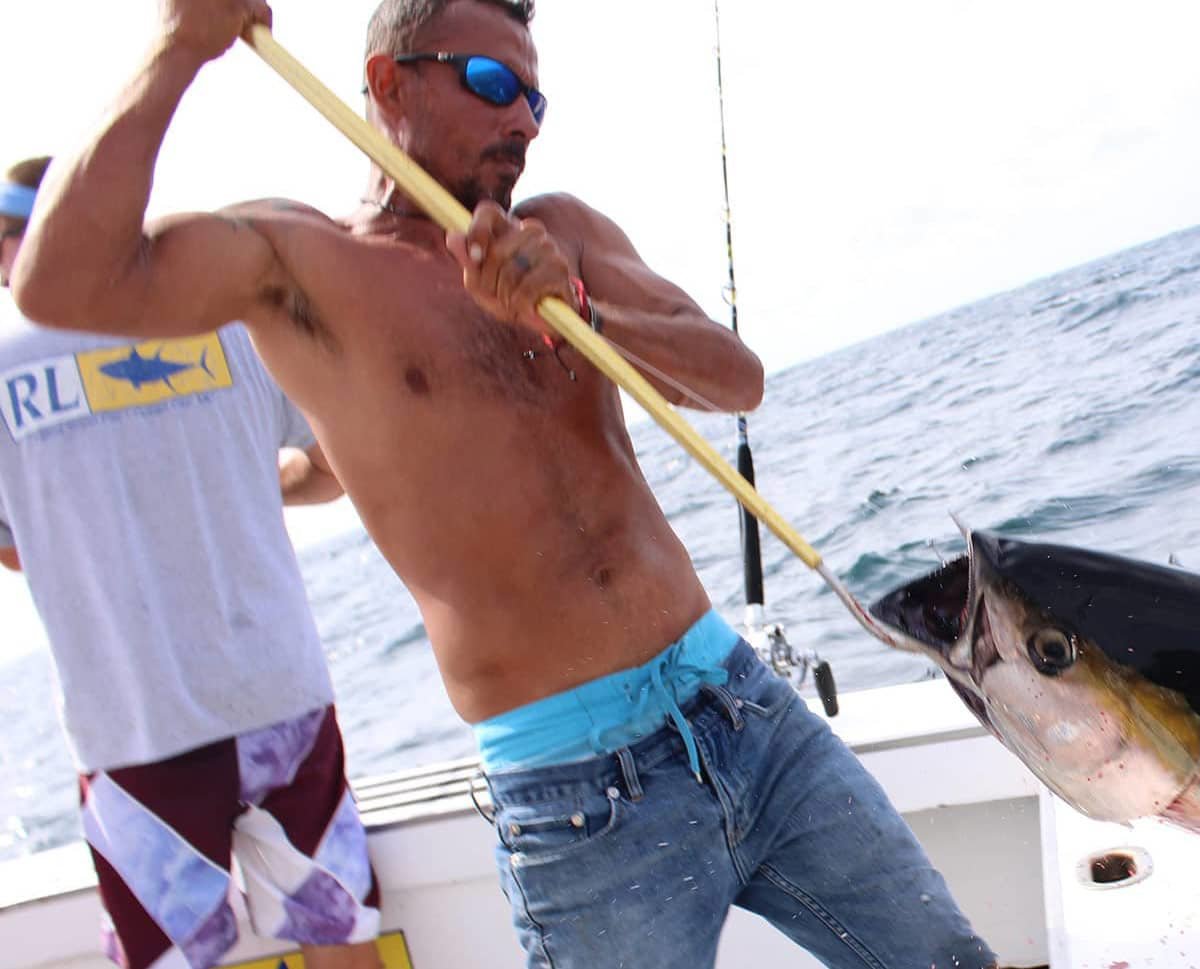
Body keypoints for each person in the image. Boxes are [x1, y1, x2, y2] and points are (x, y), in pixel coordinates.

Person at [14, 1, 998, 967]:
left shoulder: (559, 232)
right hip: (579, 794)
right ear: (388, 82)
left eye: (534, 96)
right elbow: (60, 282)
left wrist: (576, 311)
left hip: (745, 715)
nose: (521, 117)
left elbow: (733, 378)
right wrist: (178, 46)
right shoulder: (298, 262)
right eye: (491, 83)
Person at [0, 153, 382, 969]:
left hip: (137, 727)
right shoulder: (227, 323)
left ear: (13, 244)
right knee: (336, 934)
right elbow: (339, 465)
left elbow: (13, 546)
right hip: (283, 697)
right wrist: (245, 488)